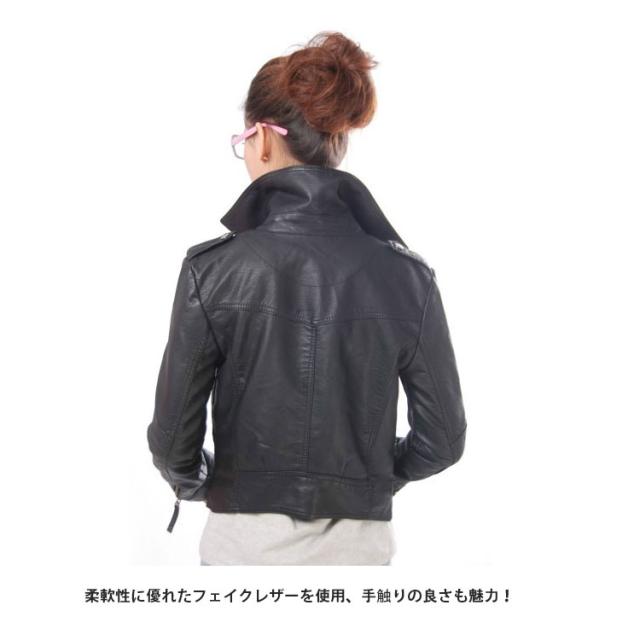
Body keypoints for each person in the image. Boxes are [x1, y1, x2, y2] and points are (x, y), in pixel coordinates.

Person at [146, 31, 467, 566]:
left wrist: (204, 482)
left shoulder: (213, 270)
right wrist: (366, 478)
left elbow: (173, 437)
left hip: (242, 549)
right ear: (336, 142)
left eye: (243, 140)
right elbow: (443, 440)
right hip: (361, 552)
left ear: (262, 140)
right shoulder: (408, 277)